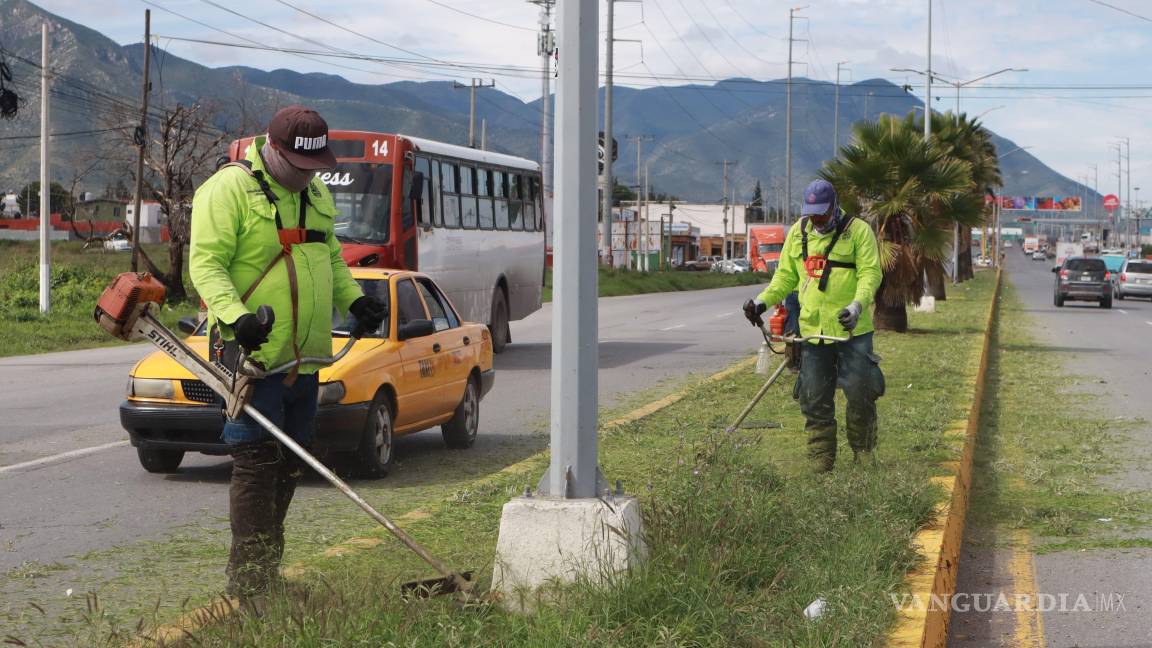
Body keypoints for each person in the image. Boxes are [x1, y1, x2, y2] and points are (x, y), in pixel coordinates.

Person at [190, 106, 387, 598]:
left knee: (291, 462)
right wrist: (236, 318)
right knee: (256, 462)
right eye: (302, 167)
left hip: (306, 358)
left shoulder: (315, 191)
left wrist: (356, 301)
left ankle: (266, 571)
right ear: (274, 151)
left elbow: (329, 257)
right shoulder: (227, 190)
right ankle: (250, 584)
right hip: (250, 356)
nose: (310, 176)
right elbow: (206, 265)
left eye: (317, 166)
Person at [742, 179, 884, 473]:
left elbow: (870, 274)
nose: (816, 220)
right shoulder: (799, 233)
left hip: (851, 332)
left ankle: (863, 452)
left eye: (821, 214)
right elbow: (785, 278)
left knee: (860, 393)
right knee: (814, 396)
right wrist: (761, 303)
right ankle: (821, 457)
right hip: (813, 332)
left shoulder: (858, 231)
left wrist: (856, 306)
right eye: (811, 214)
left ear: (834, 207)